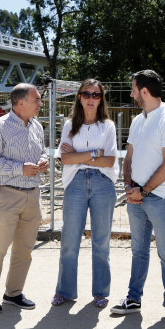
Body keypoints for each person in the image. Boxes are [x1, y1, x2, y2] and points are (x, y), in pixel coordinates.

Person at [110, 70, 165, 326]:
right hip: (137, 197)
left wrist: (142, 191)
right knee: (138, 252)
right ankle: (134, 299)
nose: (131, 94)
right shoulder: (138, 120)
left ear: (144, 91)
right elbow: (129, 157)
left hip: (160, 199)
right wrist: (130, 187)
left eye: (133, 89)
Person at [0, 83, 49, 314]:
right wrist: (20, 169)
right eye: (37, 99)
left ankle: (13, 293)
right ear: (21, 103)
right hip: (5, 194)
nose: (41, 103)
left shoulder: (37, 126)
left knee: (24, 249)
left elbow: (41, 151)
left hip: (33, 195)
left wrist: (43, 161)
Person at [51, 79, 118, 309]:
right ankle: (65, 291)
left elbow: (109, 161)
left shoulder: (108, 126)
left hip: (102, 183)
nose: (91, 98)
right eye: (86, 94)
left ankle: (100, 292)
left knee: (101, 241)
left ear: (101, 99)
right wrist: (93, 153)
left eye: (96, 95)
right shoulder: (70, 125)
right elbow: (65, 159)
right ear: (79, 97)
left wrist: (80, 155)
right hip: (75, 183)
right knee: (70, 240)